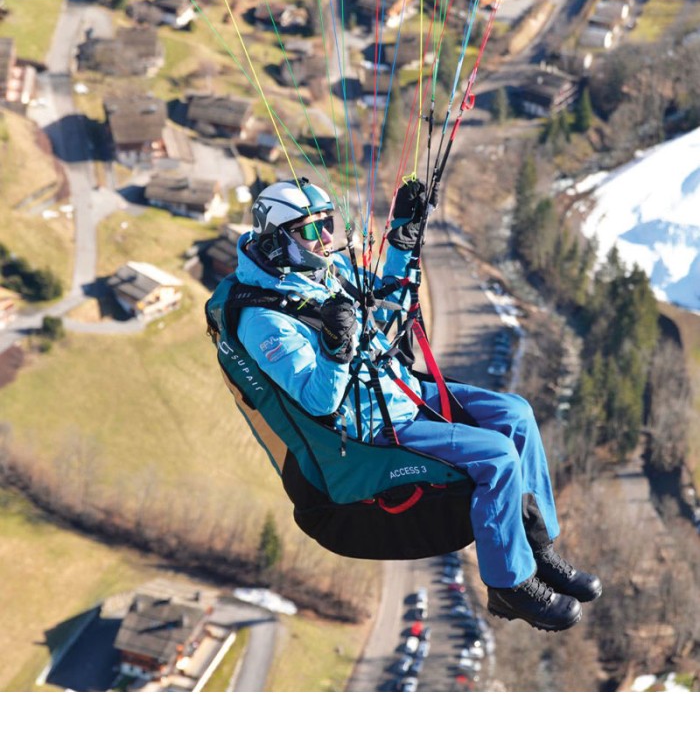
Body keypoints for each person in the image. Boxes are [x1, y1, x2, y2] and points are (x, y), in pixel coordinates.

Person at [232, 176, 602, 632]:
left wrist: (404, 235)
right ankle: (510, 585)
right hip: (370, 424)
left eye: (327, 223)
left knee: (516, 414)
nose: (326, 238)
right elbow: (320, 402)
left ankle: (536, 549)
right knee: (496, 456)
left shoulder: (321, 273)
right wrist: (334, 348)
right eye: (312, 230)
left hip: (397, 387)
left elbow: (389, 301)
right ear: (277, 240)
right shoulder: (265, 321)